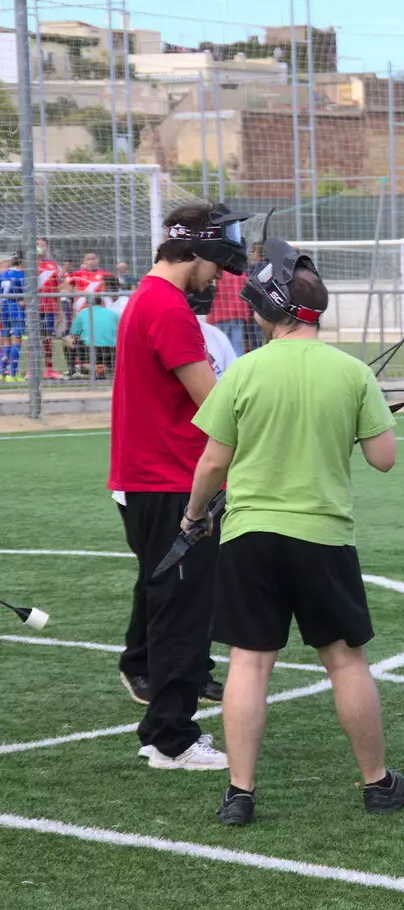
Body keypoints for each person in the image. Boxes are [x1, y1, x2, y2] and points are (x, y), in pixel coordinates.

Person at [185, 238, 404, 827]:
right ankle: (377, 783)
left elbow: (213, 463)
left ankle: (240, 793)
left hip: (250, 535)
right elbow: (383, 458)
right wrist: (373, 414)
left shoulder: (243, 371)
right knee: (345, 662)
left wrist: (193, 517)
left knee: (249, 663)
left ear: (267, 311)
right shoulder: (350, 373)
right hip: (322, 536)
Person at [111, 202, 253, 770]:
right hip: (170, 480)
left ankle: (141, 664)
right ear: (193, 251)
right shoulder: (167, 308)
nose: (217, 276)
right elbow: (216, 406)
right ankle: (170, 737)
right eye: (215, 262)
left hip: (150, 477)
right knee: (183, 606)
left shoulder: (148, 298)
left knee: (164, 591)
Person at [66, 293, 119, 380]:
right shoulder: (114, 314)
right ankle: (103, 370)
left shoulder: (82, 313)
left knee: (66, 340)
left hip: (90, 352)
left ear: (87, 303)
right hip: (111, 352)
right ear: (102, 303)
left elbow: (73, 334)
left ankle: (74, 370)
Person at [206, 269, 255, 357]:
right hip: (238, 313)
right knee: (237, 344)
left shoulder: (217, 273)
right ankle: (239, 368)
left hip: (220, 313)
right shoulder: (241, 274)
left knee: (220, 345)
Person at [34, 238, 61, 379]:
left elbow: (57, 288)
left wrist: (60, 310)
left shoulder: (54, 266)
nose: (40, 247)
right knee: (34, 337)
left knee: (47, 337)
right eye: (37, 245)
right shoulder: (29, 264)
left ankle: (49, 368)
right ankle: (33, 369)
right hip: (34, 307)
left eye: (43, 245)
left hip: (50, 307)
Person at [0, 254, 23, 382]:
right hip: (15, 310)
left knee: (6, 341)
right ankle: (13, 375)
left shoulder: (3, 275)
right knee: (17, 340)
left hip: (3, 309)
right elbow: (25, 298)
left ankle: (2, 373)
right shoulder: (22, 275)